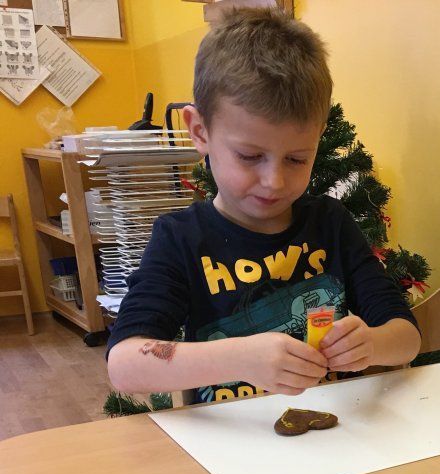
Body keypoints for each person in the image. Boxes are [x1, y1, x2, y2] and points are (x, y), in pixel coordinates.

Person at [107, 9, 420, 403]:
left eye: (297, 159)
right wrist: (238, 357)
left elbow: (407, 337)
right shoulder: (182, 238)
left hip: (333, 430)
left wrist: (371, 345)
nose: (275, 181)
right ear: (200, 131)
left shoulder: (331, 224)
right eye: (250, 156)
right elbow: (124, 365)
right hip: (231, 437)